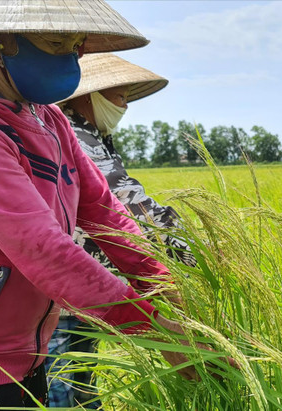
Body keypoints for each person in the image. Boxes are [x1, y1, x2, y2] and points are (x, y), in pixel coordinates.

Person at [0, 1, 230, 409]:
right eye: (55, 42)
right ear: (1, 41)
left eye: (75, 45)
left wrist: (162, 285)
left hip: (26, 351)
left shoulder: (48, 120)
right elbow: (44, 249)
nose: (69, 57)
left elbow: (104, 211)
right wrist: (155, 330)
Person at [45, 53, 197, 408]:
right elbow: (130, 207)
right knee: (63, 392)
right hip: (66, 290)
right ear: (90, 96)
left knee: (79, 387)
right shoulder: (77, 137)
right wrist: (194, 252)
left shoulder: (90, 135)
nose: (124, 106)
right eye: (119, 96)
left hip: (84, 289)